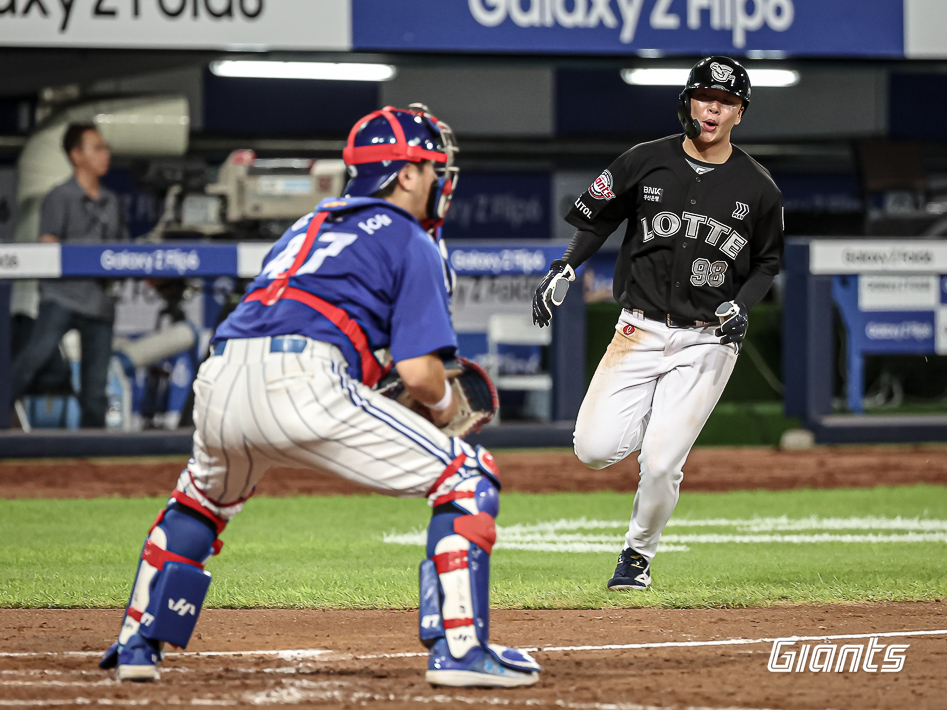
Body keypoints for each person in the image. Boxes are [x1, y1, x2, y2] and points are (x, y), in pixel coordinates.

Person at [97, 105, 541, 688]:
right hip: (303, 379)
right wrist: (441, 413)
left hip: (222, 375)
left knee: (200, 503)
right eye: (433, 169)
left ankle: (136, 644)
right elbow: (421, 375)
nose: (440, 180)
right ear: (405, 175)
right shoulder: (411, 237)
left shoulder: (307, 224)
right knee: (468, 476)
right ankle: (460, 650)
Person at [533, 57, 784, 590]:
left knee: (663, 461)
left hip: (706, 340)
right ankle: (659, 421)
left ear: (739, 113)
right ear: (688, 101)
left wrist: (744, 305)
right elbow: (596, 220)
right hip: (638, 329)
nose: (712, 108)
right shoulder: (643, 161)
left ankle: (636, 557)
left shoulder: (759, 187)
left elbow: (766, 262)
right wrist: (565, 265)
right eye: (704, 97)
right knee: (594, 449)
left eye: (725, 101)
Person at [9, 123, 126, 427]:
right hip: (61, 298)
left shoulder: (111, 201)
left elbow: (123, 252)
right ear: (76, 155)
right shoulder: (59, 196)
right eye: (97, 148)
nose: (105, 154)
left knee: (95, 392)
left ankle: (92, 461)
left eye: (105, 148)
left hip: (99, 302)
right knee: (28, 364)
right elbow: (47, 245)